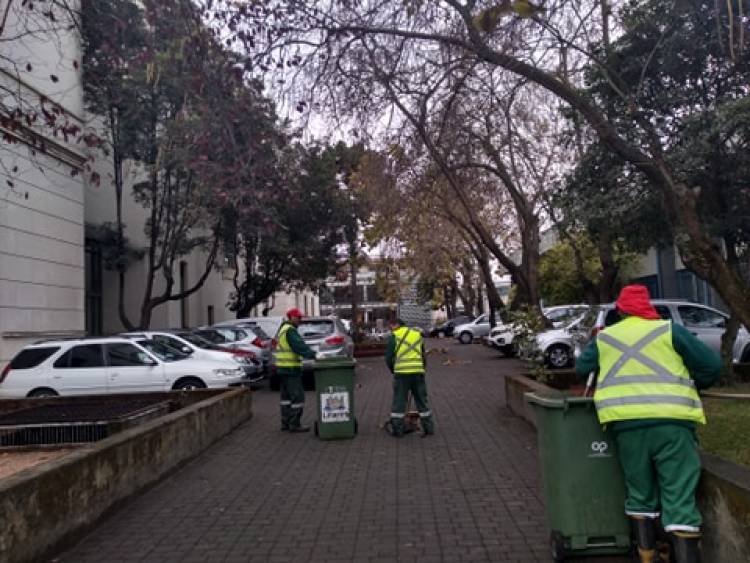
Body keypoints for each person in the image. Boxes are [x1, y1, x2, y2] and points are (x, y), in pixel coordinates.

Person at [576, 285, 721, 563]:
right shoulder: (670, 331)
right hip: (673, 424)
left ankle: (646, 555)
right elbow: (711, 366)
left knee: (640, 491)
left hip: (626, 426)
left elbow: (583, 369)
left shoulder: (605, 338)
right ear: (650, 308)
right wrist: (695, 383)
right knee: (678, 494)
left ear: (619, 310)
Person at [384, 318, 434, 437]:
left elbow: (388, 358)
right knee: (422, 400)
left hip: (401, 374)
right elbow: (423, 355)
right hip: (417, 372)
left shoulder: (394, 337)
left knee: (399, 402)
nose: (390, 329)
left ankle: (398, 430)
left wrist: (393, 370)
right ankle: (429, 428)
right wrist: (422, 369)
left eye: (391, 325)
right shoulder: (417, 335)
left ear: (397, 325)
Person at [275, 308, 316, 433]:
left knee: (285, 398)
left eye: (300, 317)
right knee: (297, 397)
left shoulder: (282, 329)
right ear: (291, 317)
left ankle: (285, 423)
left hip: (282, 368)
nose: (300, 320)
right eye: (298, 318)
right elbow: (299, 346)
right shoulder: (290, 331)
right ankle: (294, 424)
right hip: (291, 369)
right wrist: (314, 355)